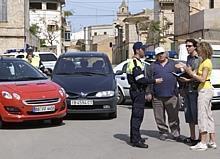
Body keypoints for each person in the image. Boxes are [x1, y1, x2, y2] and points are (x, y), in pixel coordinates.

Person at [178, 42, 217, 151]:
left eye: (199, 49)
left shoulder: (207, 62)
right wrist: (189, 77)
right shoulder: (204, 61)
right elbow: (195, 75)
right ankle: (212, 141)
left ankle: (203, 142)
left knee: (202, 116)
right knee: (209, 116)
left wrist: (190, 73)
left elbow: (202, 79)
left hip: (205, 90)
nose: (198, 51)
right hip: (206, 89)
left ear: (204, 50)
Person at [126, 42, 163, 148]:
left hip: (138, 91)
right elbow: (140, 80)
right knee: (137, 116)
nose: (144, 51)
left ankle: (136, 136)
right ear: (137, 50)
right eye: (143, 49)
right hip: (137, 92)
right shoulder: (134, 63)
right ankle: (135, 140)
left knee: (138, 116)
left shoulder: (137, 62)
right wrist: (155, 81)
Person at [147, 46, 183, 141]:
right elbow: (149, 81)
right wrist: (148, 93)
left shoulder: (173, 64)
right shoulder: (152, 66)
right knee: (159, 117)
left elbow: (181, 77)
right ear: (156, 56)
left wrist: (182, 90)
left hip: (172, 95)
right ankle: (163, 132)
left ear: (165, 53)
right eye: (158, 54)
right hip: (157, 96)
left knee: (174, 116)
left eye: (162, 53)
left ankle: (175, 133)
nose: (160, 56)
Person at [178, 39, 202, 145]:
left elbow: (197, 76)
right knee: (189, 114)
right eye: (186, 46)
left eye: (189, 46)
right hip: (188, 89)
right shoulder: (188, 58)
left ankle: (201, 137)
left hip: (196, 89)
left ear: (195, 47)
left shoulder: (199, 59)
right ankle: (192, 137)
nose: (187, 48)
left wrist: (187, 74)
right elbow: (188, 73)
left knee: (198, 114)